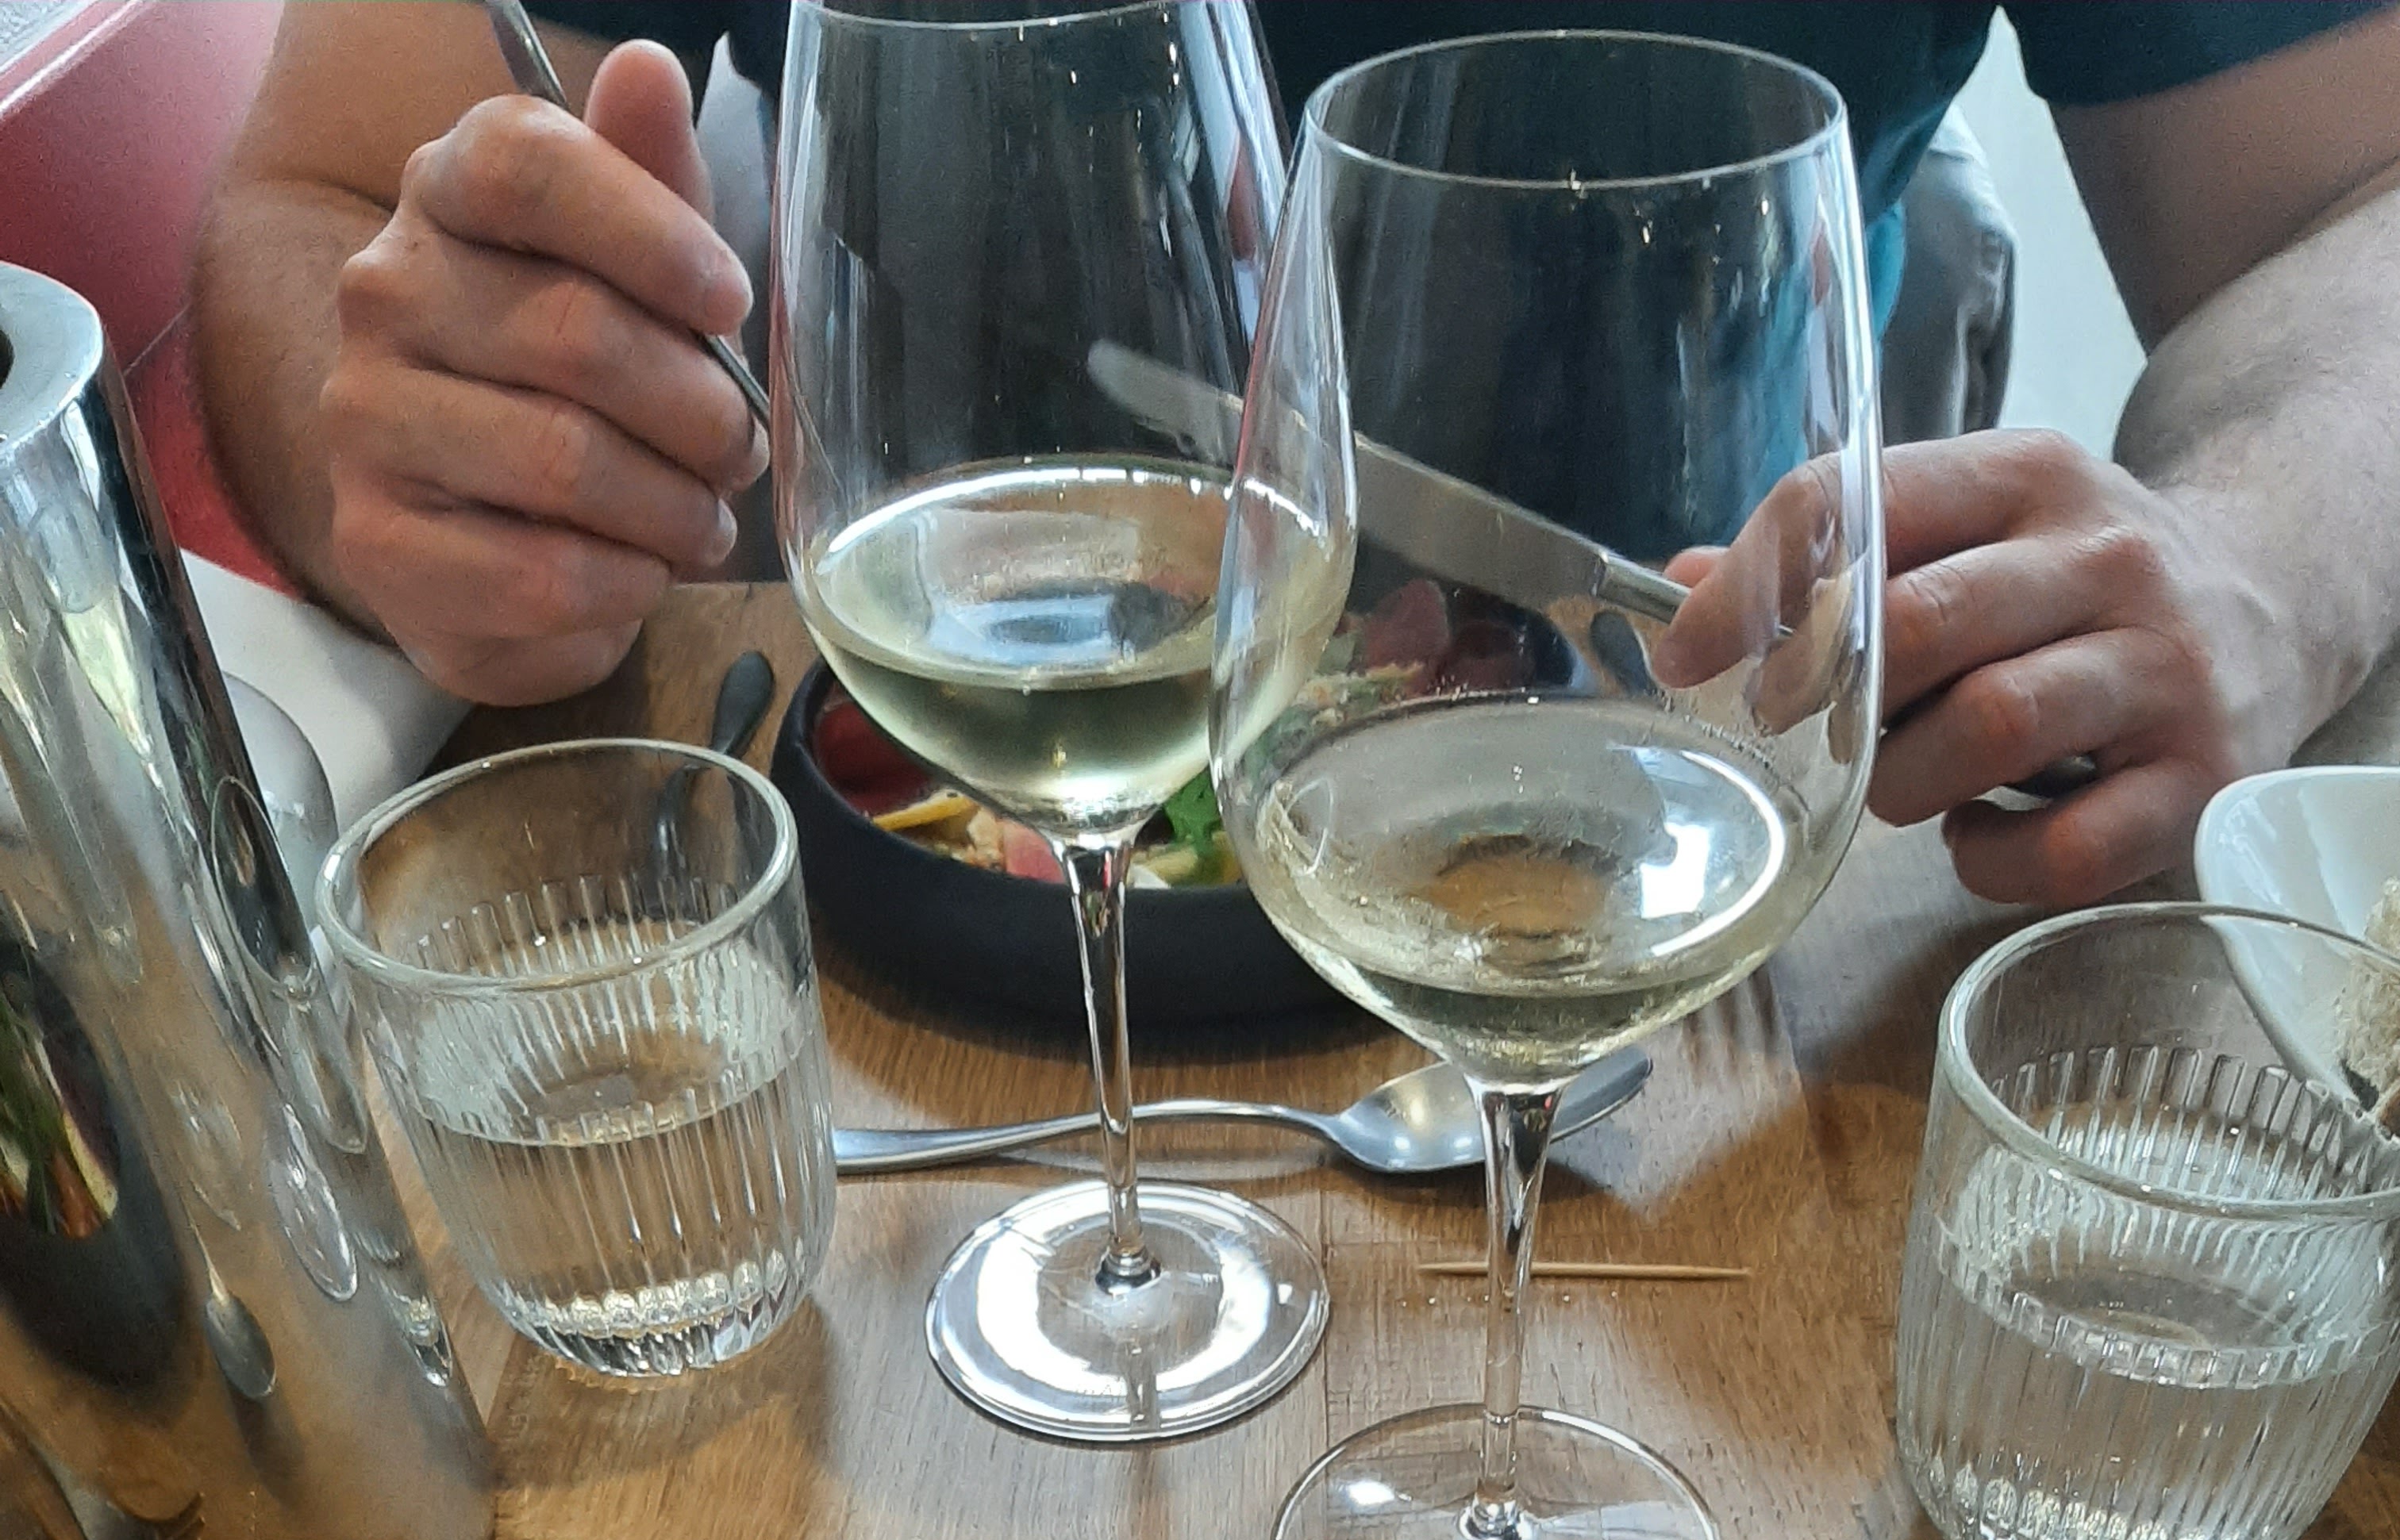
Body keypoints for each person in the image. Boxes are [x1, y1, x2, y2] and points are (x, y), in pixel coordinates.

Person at [191, 1, 2400, 906]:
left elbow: (2350, 201)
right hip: (897, 892)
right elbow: (315, 196)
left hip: (1724, 856)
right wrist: (444, 467)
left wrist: (2272, 550)